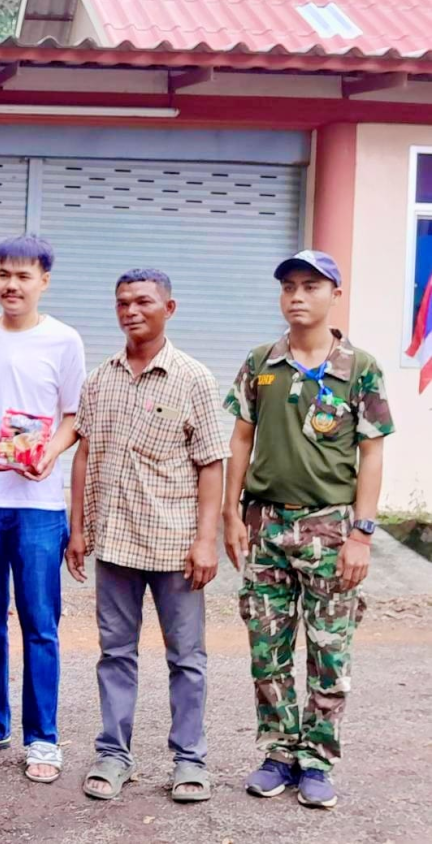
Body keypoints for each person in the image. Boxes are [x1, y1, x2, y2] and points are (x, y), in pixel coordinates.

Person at [223, 250, 394, 810]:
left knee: (329, 651)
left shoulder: (360, 367)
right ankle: (279, 752)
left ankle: (318, 760)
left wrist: (362, 535)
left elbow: (371, 454)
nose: (297, 296)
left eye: (310, 286)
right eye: (289, 287)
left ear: (334, 295)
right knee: (266, 648)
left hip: (331, 529)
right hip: (266, 522)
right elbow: (241, 441)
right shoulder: (260, 362)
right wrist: (231, 513)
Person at [66, 269, 228, 804]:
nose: (131, 310)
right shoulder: (99, 379)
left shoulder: (193, 378)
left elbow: (211, 464)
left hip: (174, 545)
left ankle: (190, 761)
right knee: (115, 654)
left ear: (169, 308)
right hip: (114, 545)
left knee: (187, 657)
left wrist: (207, 540)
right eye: (122, 303)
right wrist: (78, 528)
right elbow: (85, 453)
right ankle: (114, 755)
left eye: (143, 301)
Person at [0, 235, 85, 782]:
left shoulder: (64, 340)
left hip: (38, 509)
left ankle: (43, 738)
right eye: (4, 273)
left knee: (39, 623)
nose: (12, 285)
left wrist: (49, 452)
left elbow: (74, 416)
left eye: (24, 276)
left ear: (44, 281)